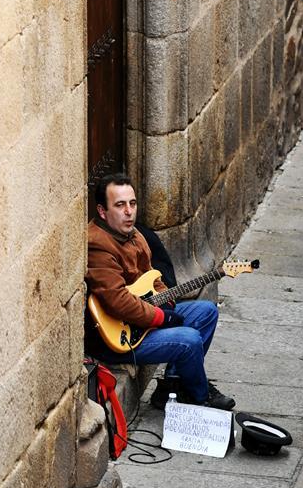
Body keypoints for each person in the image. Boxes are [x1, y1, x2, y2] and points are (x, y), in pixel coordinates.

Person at [86, 173, 235, 411]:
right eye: (120, 205)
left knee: (206, 312)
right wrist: (161, 317)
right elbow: (117, 300)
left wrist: (166, 300)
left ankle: (172, 387)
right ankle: (201, 397)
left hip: (141, 319)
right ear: (102, 211)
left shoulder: (134, 234)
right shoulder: (97, 244)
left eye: (132, 204)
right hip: (117, 337)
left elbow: (152, 276)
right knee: (190, 340)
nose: (129, 212)